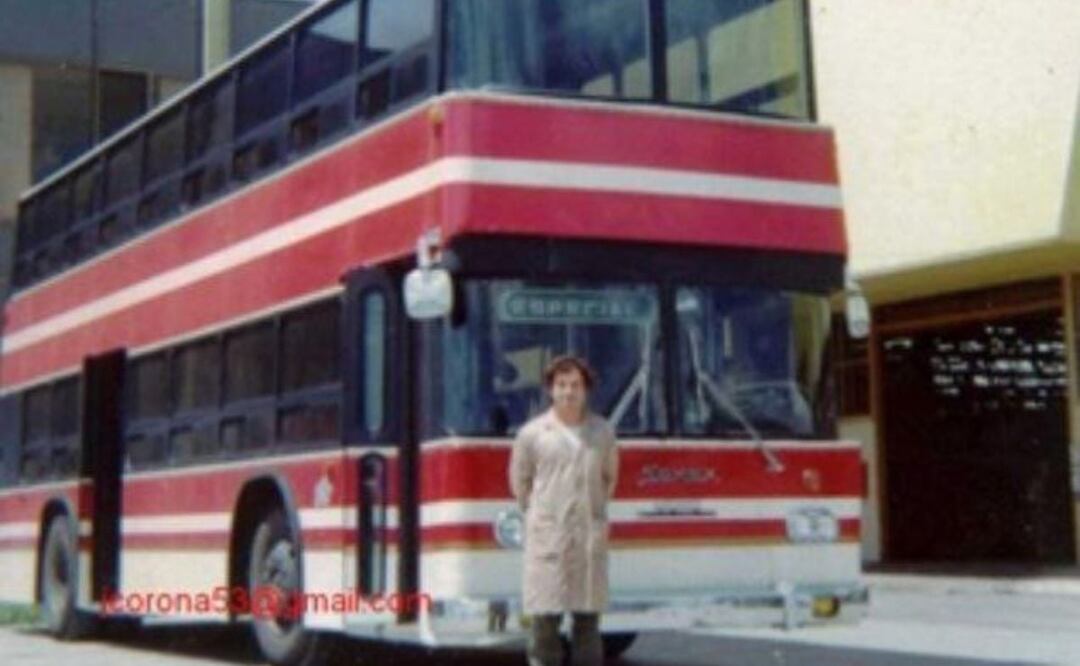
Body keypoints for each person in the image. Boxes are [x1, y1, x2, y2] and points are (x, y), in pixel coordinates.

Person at [509, 355, 619, 666]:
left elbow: (609, 479)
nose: (568, 392)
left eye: (575, 385)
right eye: (561, 385)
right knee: (545, 624)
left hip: (587, 541)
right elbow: (521, 483)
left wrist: (589, 511)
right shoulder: (532, 434)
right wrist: (544, 515)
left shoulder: (602, 432)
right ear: (550, 390)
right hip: (549, 539)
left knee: (588, 625)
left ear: (586, 390)